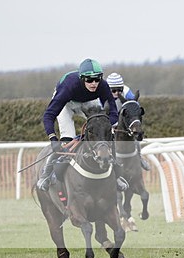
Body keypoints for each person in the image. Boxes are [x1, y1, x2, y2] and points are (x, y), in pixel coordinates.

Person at [37, 58, 124, 192]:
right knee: (67, 141)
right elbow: (48, 116)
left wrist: (102, 129)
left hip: (88, 102)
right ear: (82, 79)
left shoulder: (103, 86)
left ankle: (116, 174)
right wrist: (53, 139)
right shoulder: (68, 87)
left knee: (105, 131)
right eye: (89, 80)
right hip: (66, 103)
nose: (94, 83)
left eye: (97, 79)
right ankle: (46, 173)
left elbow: (113, 113)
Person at [107, 72, 150, 171]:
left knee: (134, 133)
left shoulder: (127, 92)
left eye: (119, 90)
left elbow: (135, 110)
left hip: (123, 116)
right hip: (109, 114)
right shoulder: (102, 94)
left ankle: (139, 157)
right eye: (113, 90)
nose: (117, 93)